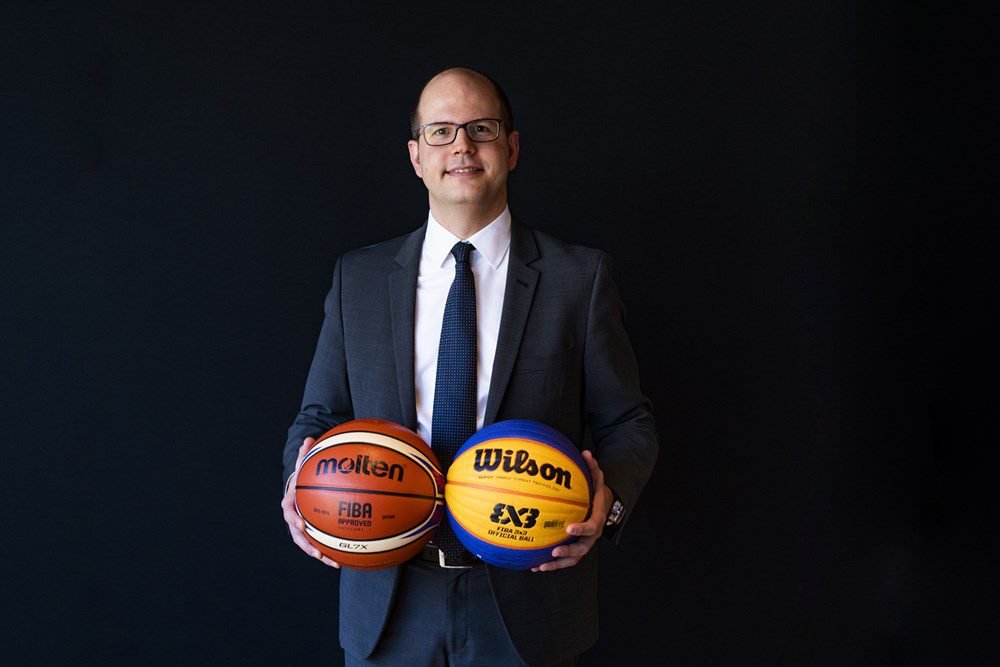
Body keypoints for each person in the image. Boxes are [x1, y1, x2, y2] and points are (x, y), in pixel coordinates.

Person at [280, 67, 658, 667]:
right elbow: (319, 417)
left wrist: (605, 498)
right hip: (388, 595)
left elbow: (628, 423)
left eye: (481, 128)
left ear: (512, 148)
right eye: (441, 131)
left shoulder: (579, 278)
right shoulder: (360, 278)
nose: (461, 145)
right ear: (416, 156)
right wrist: (300, 487)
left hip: (531, 596)